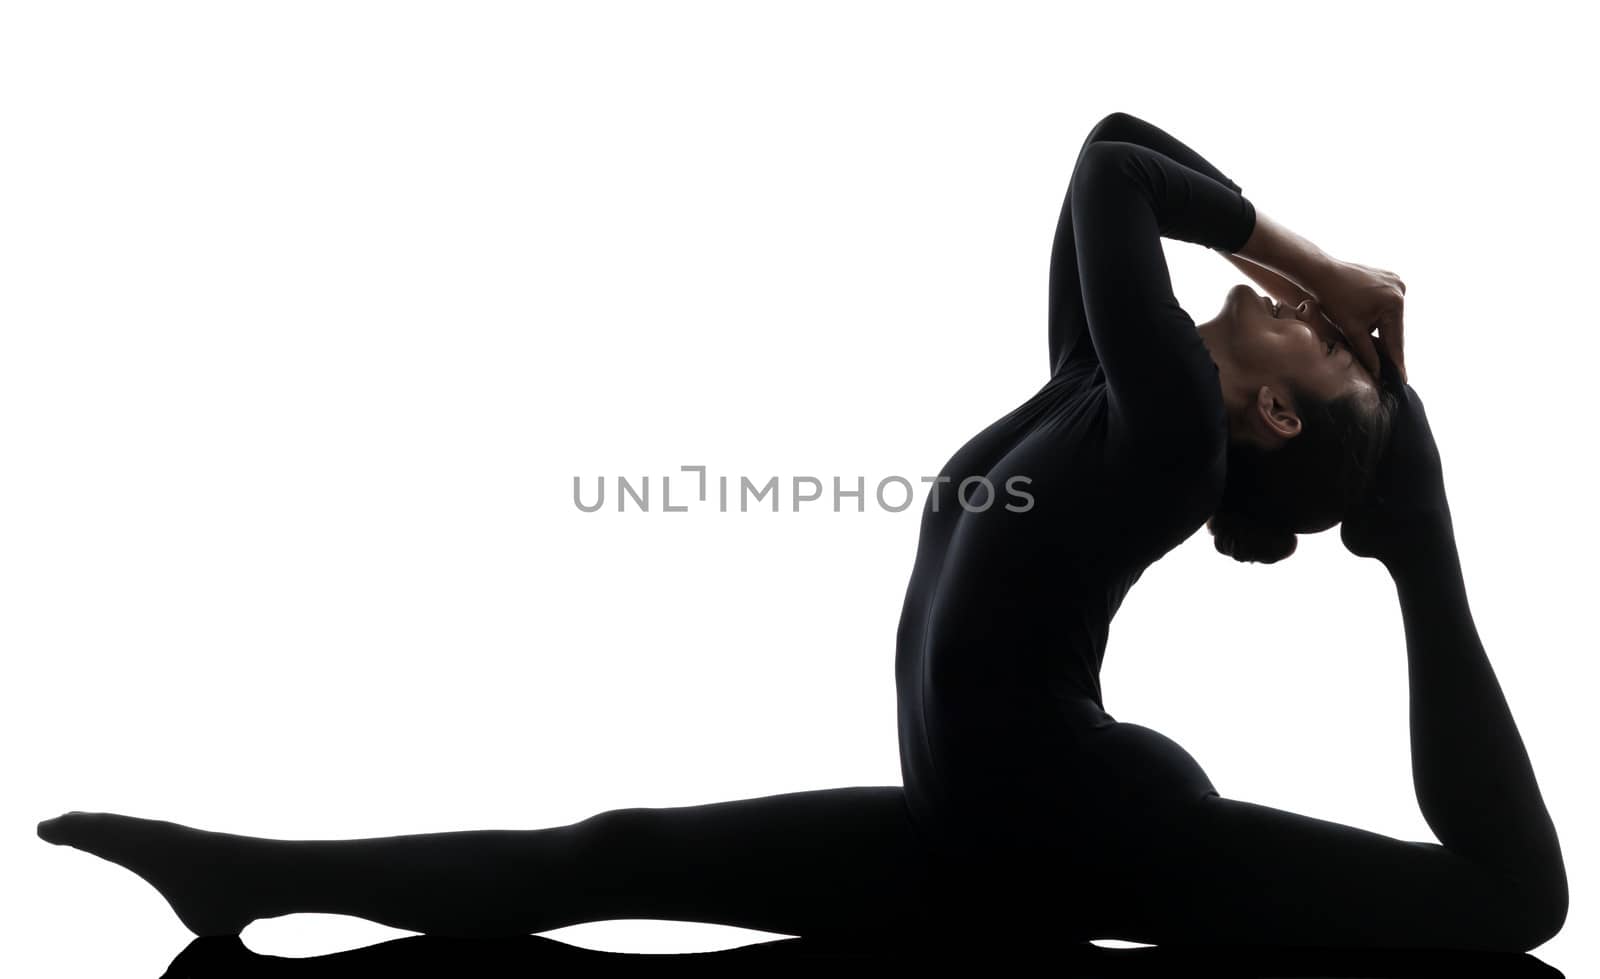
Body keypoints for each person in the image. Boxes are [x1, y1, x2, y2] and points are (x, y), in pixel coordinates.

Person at [37, 112, 1566, 954]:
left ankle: (1422, 555)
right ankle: (251, 877)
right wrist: (1347, 321)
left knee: (1507, 912)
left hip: (1098, 836)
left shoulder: (1169, 430)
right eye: (1336, 324)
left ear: (1278, 422)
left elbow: (1121, 170)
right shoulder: (1107, 385)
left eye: (1335, 352)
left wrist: (1335, 274)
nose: (1318, 319)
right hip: (992, 818)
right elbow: (1097, 157)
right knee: (617, 851)